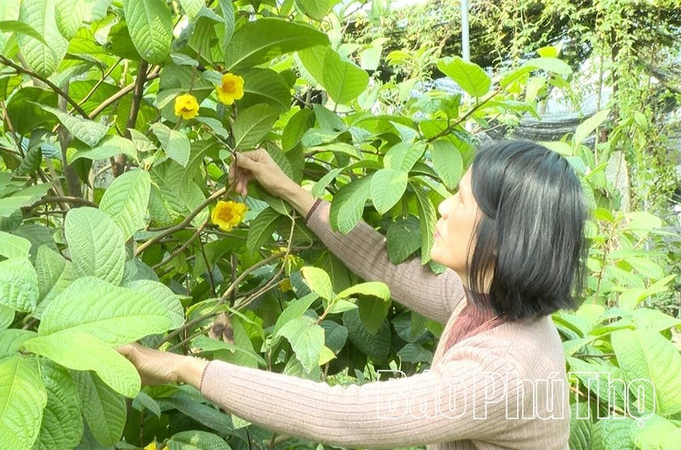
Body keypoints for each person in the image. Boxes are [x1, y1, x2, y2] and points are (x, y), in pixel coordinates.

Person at [118, 140, 588, 449]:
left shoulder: (501, 369)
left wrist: (185, 367)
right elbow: (384, 262)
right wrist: (292, 192)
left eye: (462, 200)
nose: (443, 208)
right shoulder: (487, 301)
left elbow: (345, 414)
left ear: (506, 235)